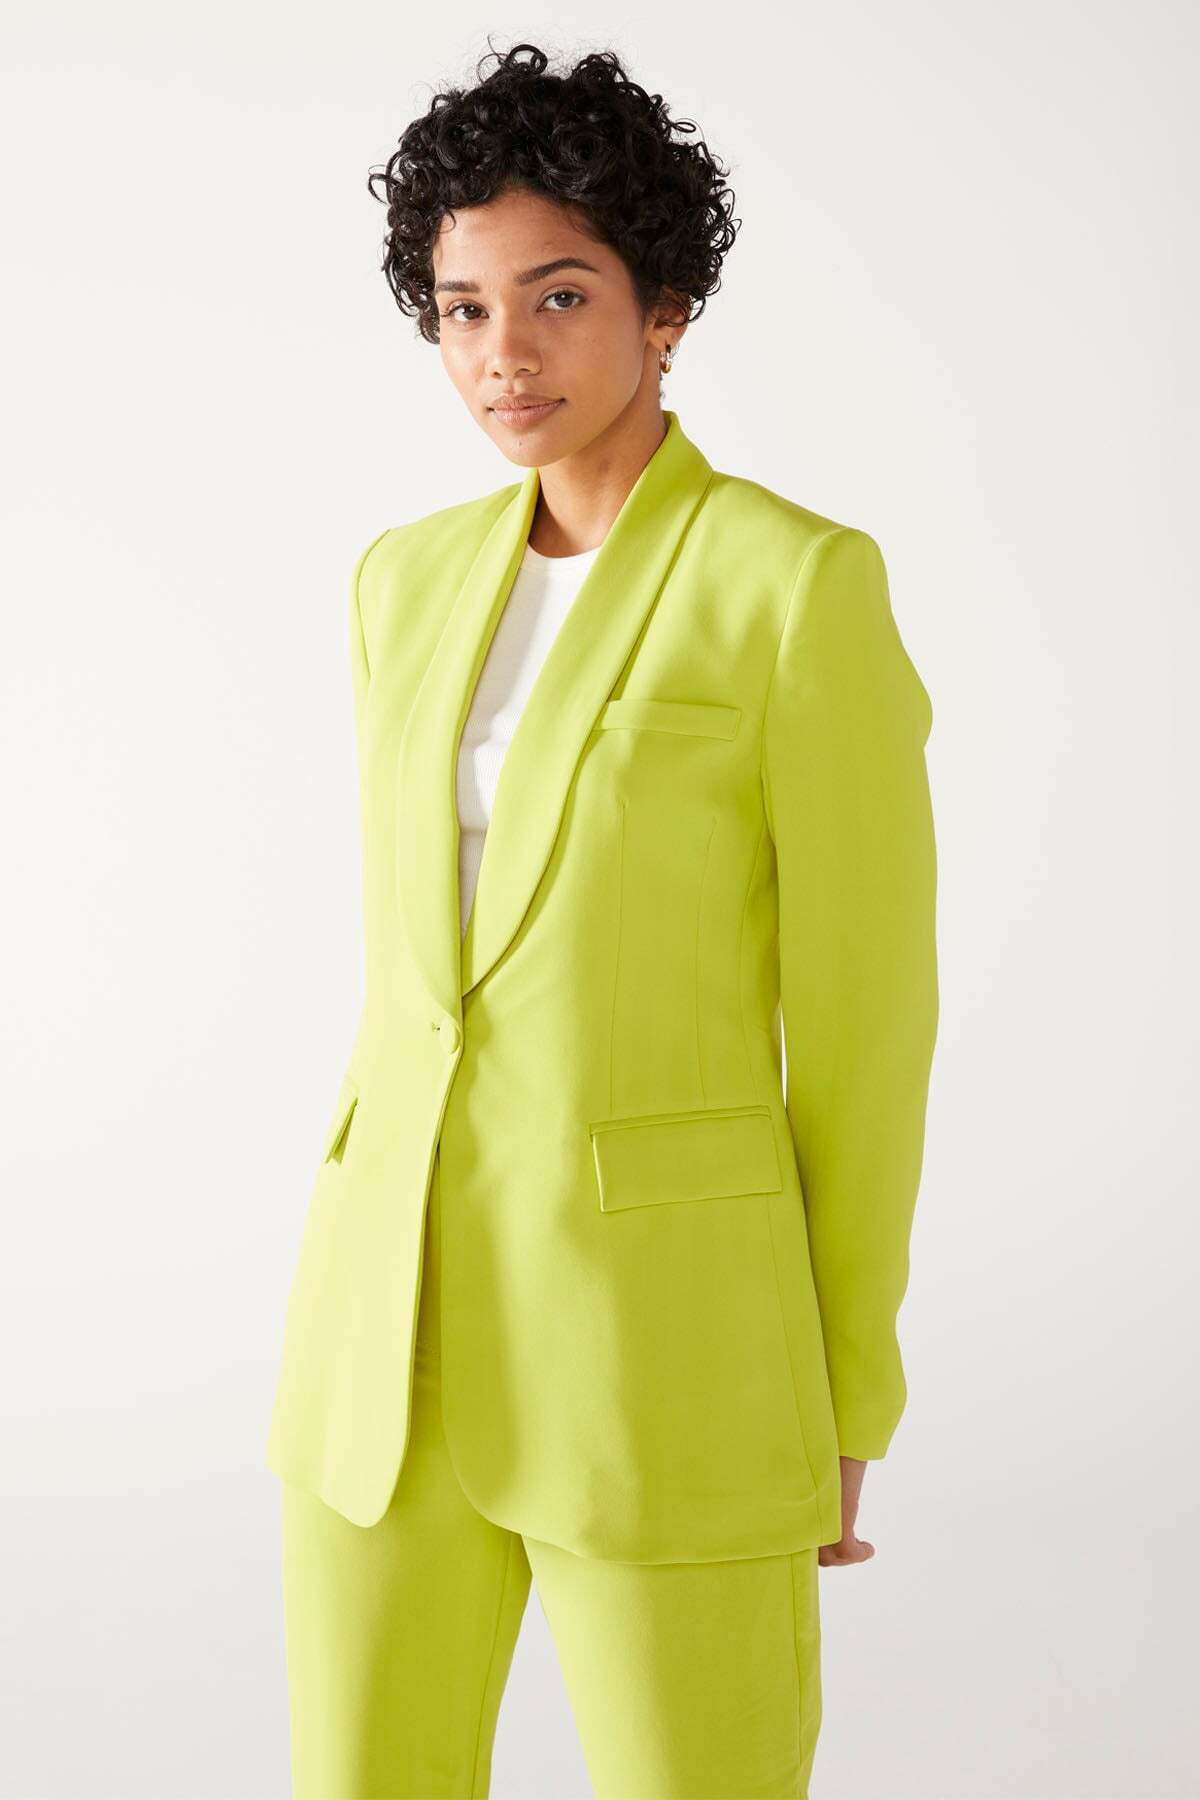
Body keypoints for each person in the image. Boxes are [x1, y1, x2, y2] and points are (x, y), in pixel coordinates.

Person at [265, 40, 939, 1799]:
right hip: (382, 1349)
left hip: (663, 1352)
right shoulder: (403, 581)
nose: (506, 353)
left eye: (558, 296)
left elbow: (867, 1026)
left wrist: (843, 1390)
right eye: (463, 309)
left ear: (668, 307)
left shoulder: (792, 585)